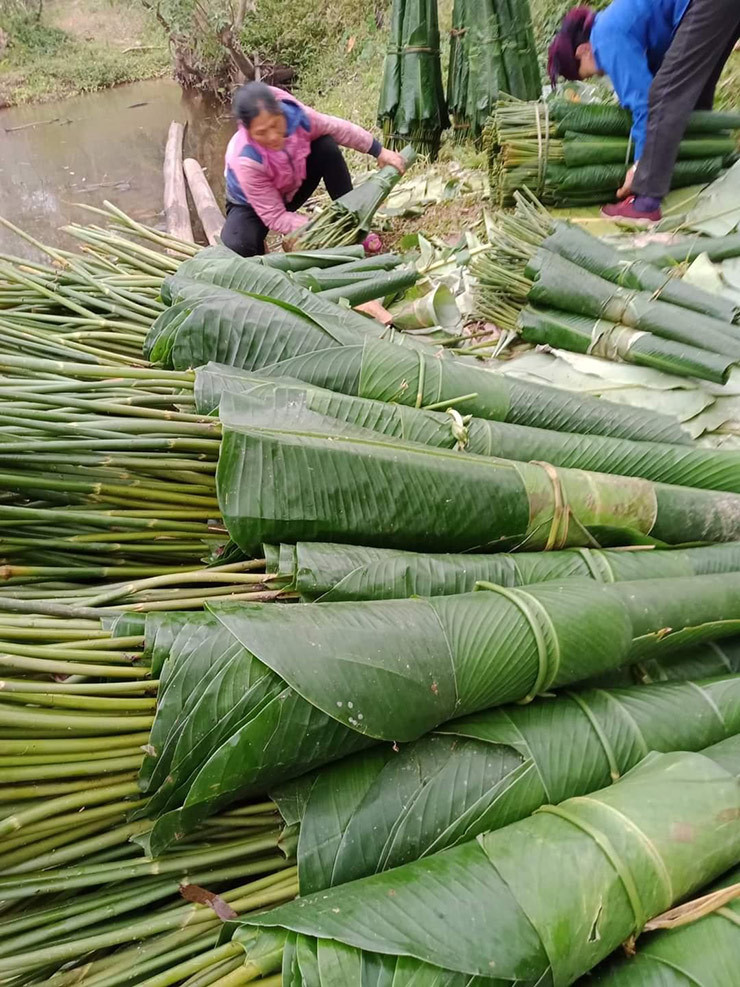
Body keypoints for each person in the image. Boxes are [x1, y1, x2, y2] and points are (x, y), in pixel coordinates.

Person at [548, 0, 740, 224]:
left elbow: (645, 103)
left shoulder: (604, 38)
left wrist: (640, 166)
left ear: (583, 51)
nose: (597, 76)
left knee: (664, 95)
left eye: (587, 73)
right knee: (694, 91)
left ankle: (646, 202)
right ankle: (705, 162)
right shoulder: (611, 24)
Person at [222, 82, 406, 256]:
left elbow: (339, 129)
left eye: (275, 124)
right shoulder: (246, 160)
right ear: (248, 131)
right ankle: (263, 258)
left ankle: (353, 222)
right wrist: (316, 227)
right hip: (251, 205)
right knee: (237, 245)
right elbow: (274, 215)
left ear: (279, 112)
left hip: (292, 187)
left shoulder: (298, 117)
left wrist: (379, 151)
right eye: (261, 132)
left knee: (326, 146)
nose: (272, 136)